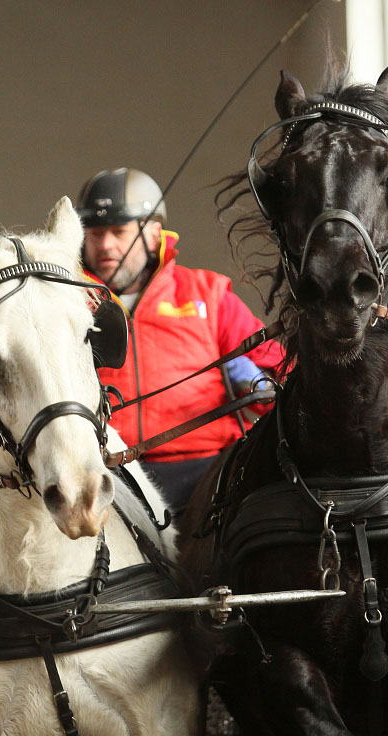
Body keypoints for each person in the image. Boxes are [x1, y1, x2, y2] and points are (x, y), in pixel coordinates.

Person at [76, 167, 283, 512]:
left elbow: (282, 375)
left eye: (118, 231)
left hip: (209, 471)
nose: (106, 244)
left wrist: (259, 387)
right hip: (110, 472)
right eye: (96, 233)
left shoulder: (209, 295)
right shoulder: (68, 302)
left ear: (154, 234)